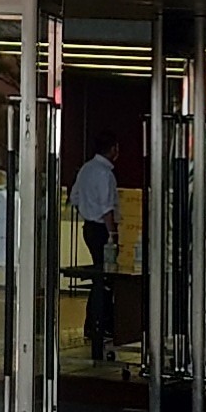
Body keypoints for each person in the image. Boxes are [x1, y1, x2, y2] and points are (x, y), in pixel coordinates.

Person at [71, 146, 123, 363]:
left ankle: (92, 323)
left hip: (89, 227)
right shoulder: (105, 173)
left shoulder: (86, 169)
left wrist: (87, 212)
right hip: (102, 229)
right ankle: (101, 323)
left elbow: (74, 197)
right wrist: (112, 234)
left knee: (99, 276)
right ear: (112, 149)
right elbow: (107, 208)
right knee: (105, 277)